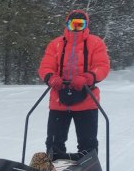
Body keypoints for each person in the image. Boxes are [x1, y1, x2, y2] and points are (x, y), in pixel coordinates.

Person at [38, 9, 110, 160]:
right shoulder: (55, 44)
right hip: (59, 100)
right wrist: (51, 77)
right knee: (53, 142)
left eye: (80, 24)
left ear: (86, 25)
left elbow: (102, 66)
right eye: (73, 24)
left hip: (87, 99)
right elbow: (46, 66)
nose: (76, 28)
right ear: (67, 24)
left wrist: (88, 77)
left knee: (87, 142)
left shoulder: (96, 43)